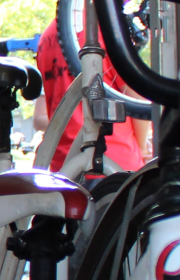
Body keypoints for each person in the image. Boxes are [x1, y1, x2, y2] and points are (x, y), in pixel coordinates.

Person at [34, 15, 149, 173]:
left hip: (65, 165)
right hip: (114, 161)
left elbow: (46, 111)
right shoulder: (106, 27)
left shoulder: (47, 37)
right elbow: (135, 97)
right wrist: (142, 148)